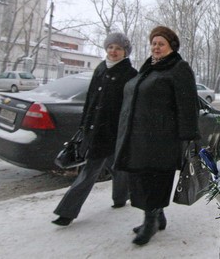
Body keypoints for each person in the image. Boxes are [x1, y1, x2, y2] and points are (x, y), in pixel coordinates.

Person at [114, 25, 200, 246]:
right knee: (141, 178)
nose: (156, 47)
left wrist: (188, 137)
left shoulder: (179, 69)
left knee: (153, 178)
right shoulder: (149, 68)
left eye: (161, 43)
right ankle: (157, 216)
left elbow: (188, 104)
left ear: (171, 46)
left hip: (161, 138)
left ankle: (150, 222)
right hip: (138, 136)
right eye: (153, 43)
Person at [52, 32, 138, 226]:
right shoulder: (100, 68)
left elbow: (131, 106)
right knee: (117, 166)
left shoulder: (130, 74)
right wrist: (84, 125)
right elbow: (90, 99)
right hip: (95, 130)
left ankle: (66, 212)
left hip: (115, 132)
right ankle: (121, 198)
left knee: (90, 172)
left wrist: (127, 130)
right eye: (110, 47)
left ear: (125, 52)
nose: (113, 51)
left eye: (118, 48)